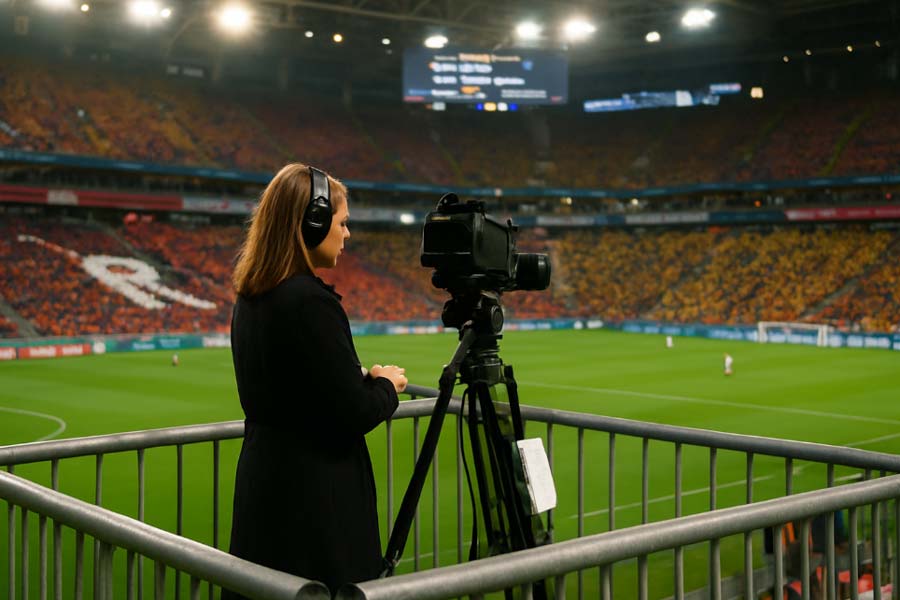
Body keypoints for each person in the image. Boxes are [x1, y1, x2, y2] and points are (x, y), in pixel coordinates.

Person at [223, 163, 407, 598]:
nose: (347, 235)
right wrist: (385, 385)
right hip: (314, 510)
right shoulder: (310, 302)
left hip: (264, 492)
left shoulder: (251, 297)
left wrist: (349, 375)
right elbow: (352, 411)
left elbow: (298, 384)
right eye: (342, 224)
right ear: (313, 223)